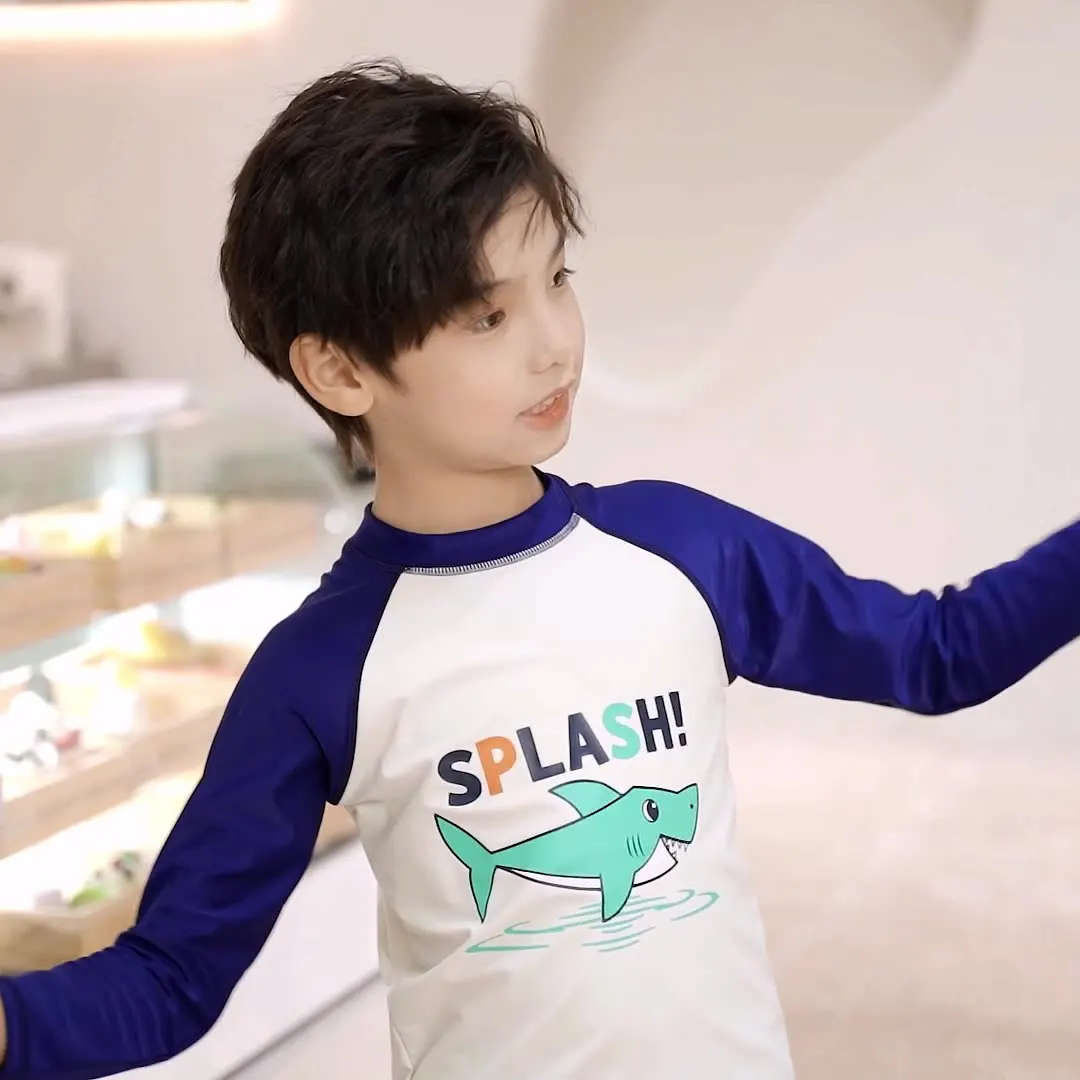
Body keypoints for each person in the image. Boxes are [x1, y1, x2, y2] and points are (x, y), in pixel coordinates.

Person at [0, 58, 1077, 1080]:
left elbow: (941, 653)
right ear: (339, 369)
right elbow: (170, 978)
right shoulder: (319, 670)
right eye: (489, 315)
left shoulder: (681, 547)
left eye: (557, 278)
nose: (555, 341)